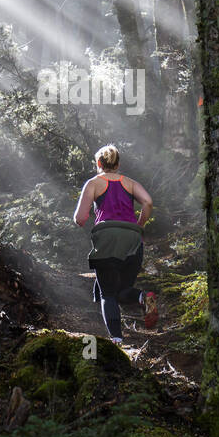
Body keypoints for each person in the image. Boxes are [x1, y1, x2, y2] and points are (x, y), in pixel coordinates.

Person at [73, 145, 158, 345]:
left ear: (99, 164)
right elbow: (148, 202)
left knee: (108, 293)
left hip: (108, 239)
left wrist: (82, 219)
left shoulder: (93, 183)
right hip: (133, 240)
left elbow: (80, 218)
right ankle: (143, 297)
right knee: (122, 291)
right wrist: (139, 225)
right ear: (118, 164)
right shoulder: (130, 183)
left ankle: (117, 340)